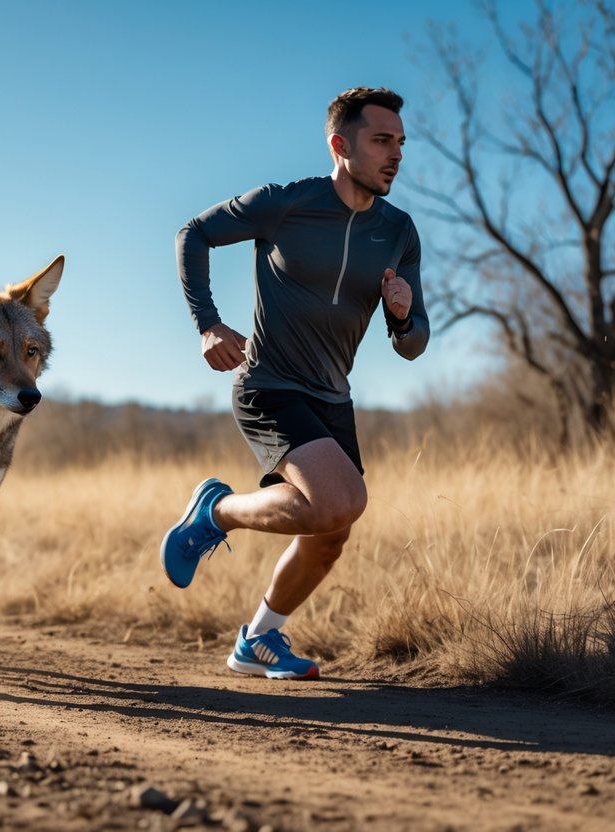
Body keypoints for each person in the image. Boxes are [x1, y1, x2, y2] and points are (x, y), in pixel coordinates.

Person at [161, 87, 430, 680]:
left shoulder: (399, 232)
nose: (396, 155)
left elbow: (411, 346)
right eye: (382, 140)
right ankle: (217, 513)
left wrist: (406, 314)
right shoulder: (286, 203)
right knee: (340, 501)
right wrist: (207, 323)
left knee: (331, 532)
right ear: (341, 145)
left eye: (400, 143)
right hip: (269, 383)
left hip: (332, 395)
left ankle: (258, 640)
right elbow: (193, 234)